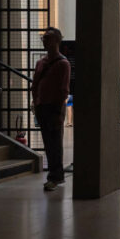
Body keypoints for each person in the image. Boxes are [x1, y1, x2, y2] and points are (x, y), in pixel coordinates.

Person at [30, 26, 71, 192]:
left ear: (57, 41)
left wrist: (57, 109)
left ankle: (55, 176)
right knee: (49, 143)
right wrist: (35, 103)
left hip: (53, 108)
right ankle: (56, 175)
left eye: (48, 38)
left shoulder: (63, 64)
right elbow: (35, 85)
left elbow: (63, 90)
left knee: (55, 143)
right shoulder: (41, 63)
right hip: (42, 107)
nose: (44, 41)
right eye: (43, 38)